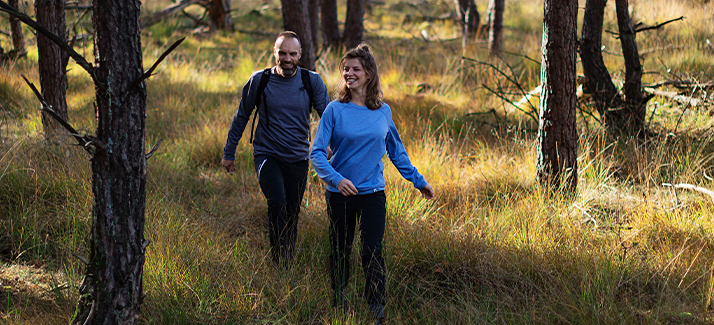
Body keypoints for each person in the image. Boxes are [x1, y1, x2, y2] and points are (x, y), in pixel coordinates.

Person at [310, 44, 435, 325]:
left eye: (355, 69)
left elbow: (396, 152)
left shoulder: (383, 111)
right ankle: (339, 298)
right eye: (346, 69)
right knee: (340, 248)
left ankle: (377, 308)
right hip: (340, 194)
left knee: (372, 250)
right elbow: (316, 153)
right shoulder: (334, 110)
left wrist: (419, 182)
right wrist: (336, 179)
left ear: (368, 74)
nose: (349, 73)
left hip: (373, 193)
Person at [222, 31, 330, 269]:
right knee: (277, 203)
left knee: (292, 212)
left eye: (292, 53)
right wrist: (229, 153)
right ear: (274, 53)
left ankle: (287, 259)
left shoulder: (311, 81)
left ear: (300, 54)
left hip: (298, 158)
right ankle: (279, 262)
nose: (287, 58)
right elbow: (242, 116)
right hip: (267, 155)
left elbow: (329, 117)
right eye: (282, 53)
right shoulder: (260, 80)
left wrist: (331, 145)